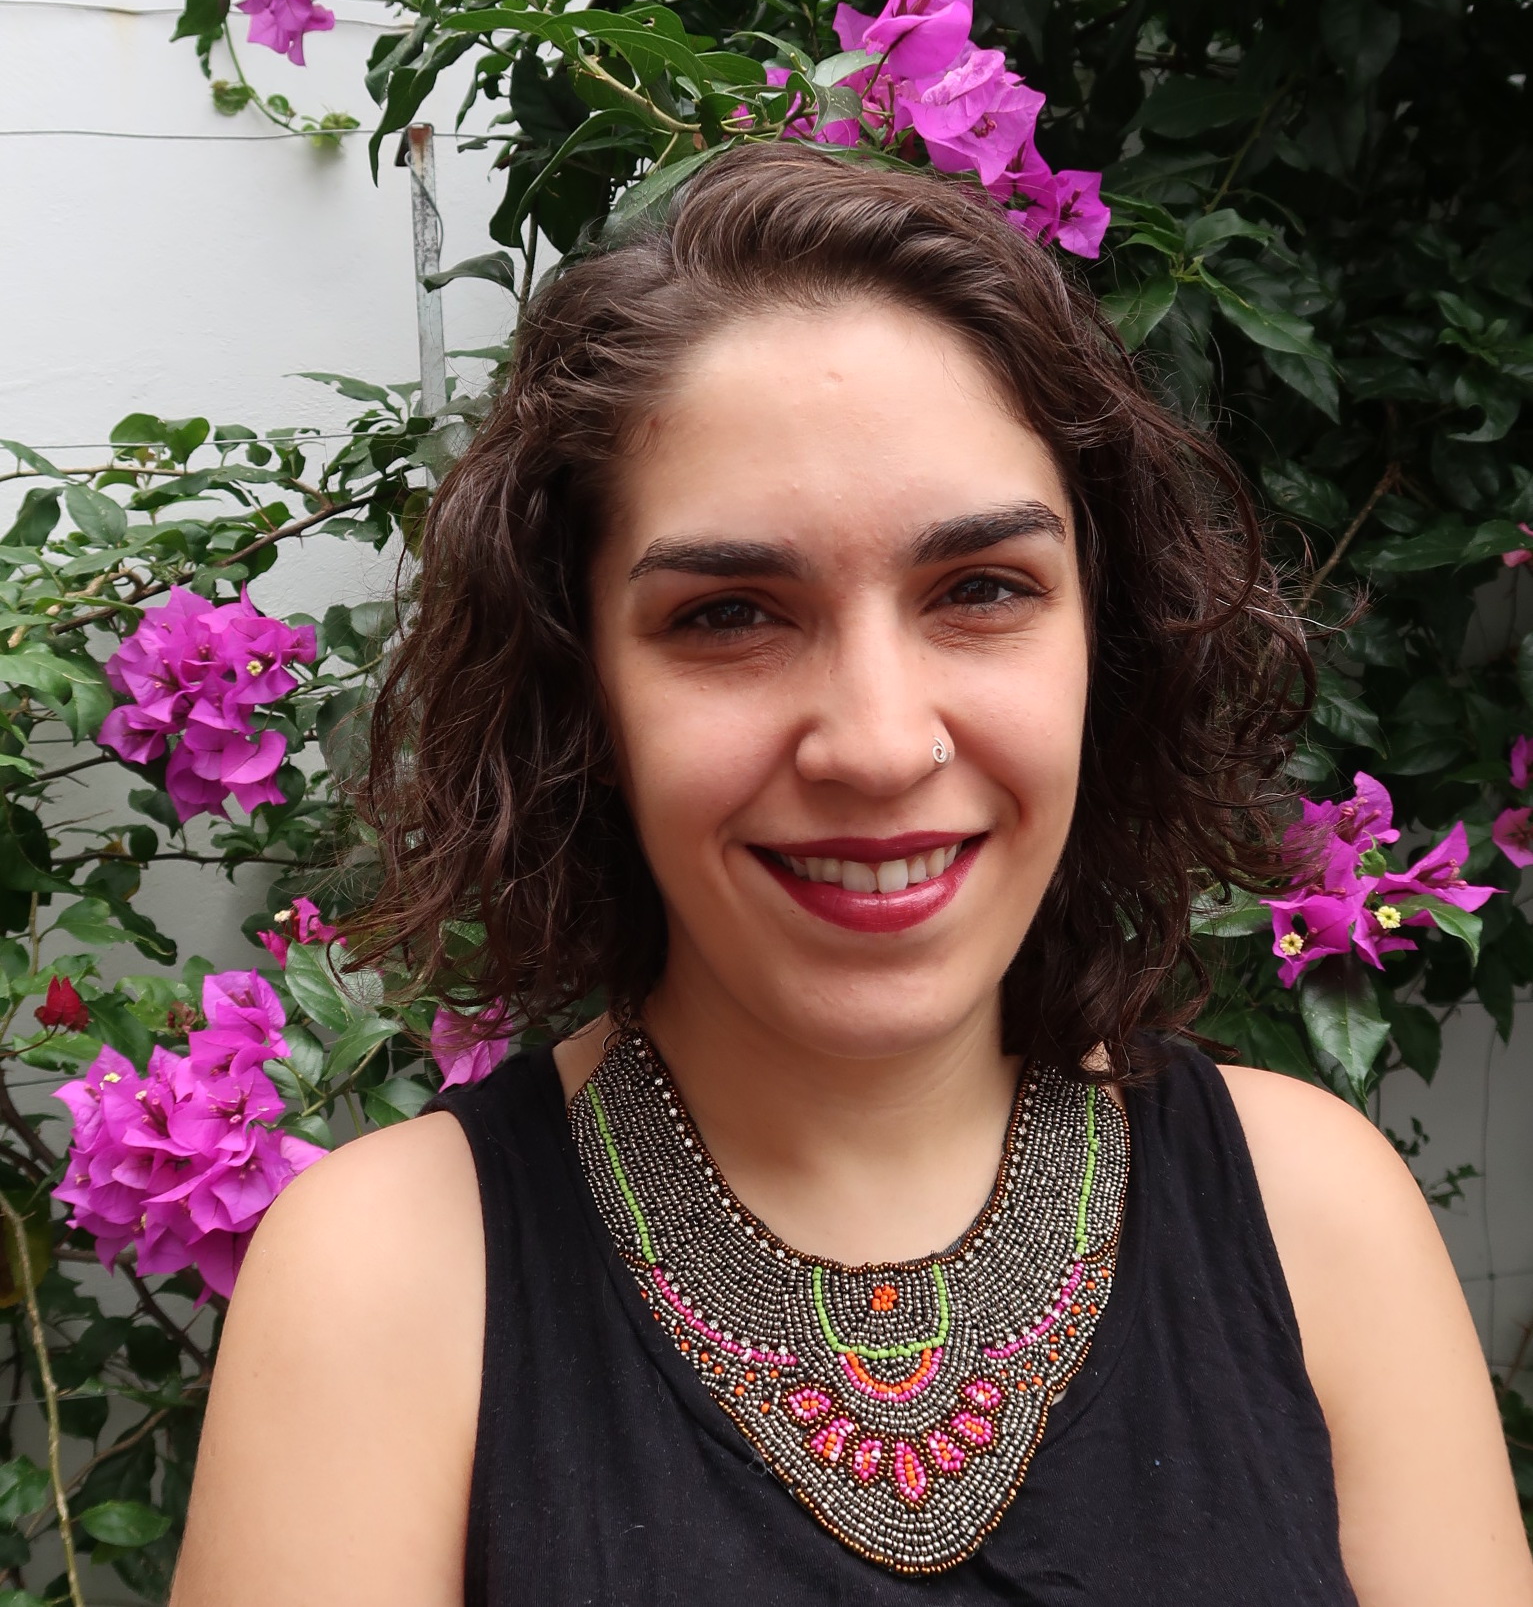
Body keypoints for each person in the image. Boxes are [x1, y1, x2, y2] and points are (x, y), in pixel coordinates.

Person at [170, 146, 1532, 1606]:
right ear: (586, 697)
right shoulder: (383, 1285)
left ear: (1105, 646)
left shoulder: (1316, 1214)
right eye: (731, 614)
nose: (879, 746)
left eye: (982, 591)